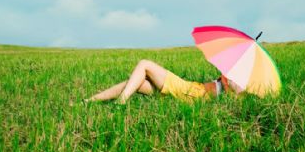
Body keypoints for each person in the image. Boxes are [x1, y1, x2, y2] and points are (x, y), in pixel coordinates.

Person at [85, 59, 241, 104]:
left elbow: (231, 93)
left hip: (192, 93)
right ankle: (89, 101)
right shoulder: (238, 74)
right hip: (192, 89)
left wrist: (229, 77)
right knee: (135, 83)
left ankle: (121, 101)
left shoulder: (244, 85)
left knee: (145, 64)